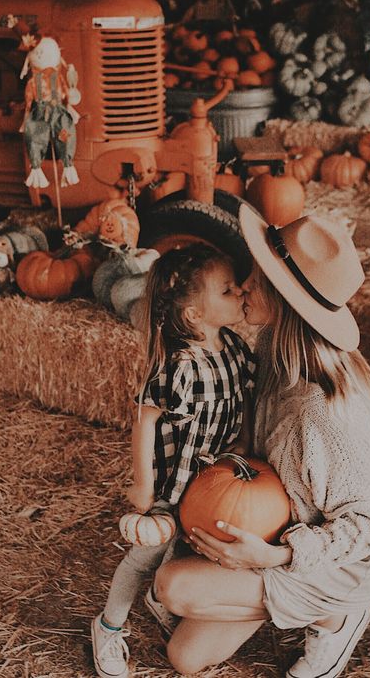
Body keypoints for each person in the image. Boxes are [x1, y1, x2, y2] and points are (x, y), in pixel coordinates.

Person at [151, 204, 370, 678]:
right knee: (186, 658)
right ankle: (293, 602)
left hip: (349, 559)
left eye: (257, 277)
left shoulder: (321, 409)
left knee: (174, 586)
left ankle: (336, 615)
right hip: (292, 523)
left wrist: (274, 557)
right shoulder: (271, 348)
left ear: (286, 297)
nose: (245, 284)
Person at [91, 243, 256, 678]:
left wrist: (241, 448)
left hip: (212, 483)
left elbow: (247, 405)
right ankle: (108, 625)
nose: (240, 292)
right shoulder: (180, 365)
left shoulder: (236, 350)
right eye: (226, 290)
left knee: (189, 549)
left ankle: (160, 599)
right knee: (144, 556)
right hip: (173, 484)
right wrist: (143, 488)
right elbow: (145, 420)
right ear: (194, 315)